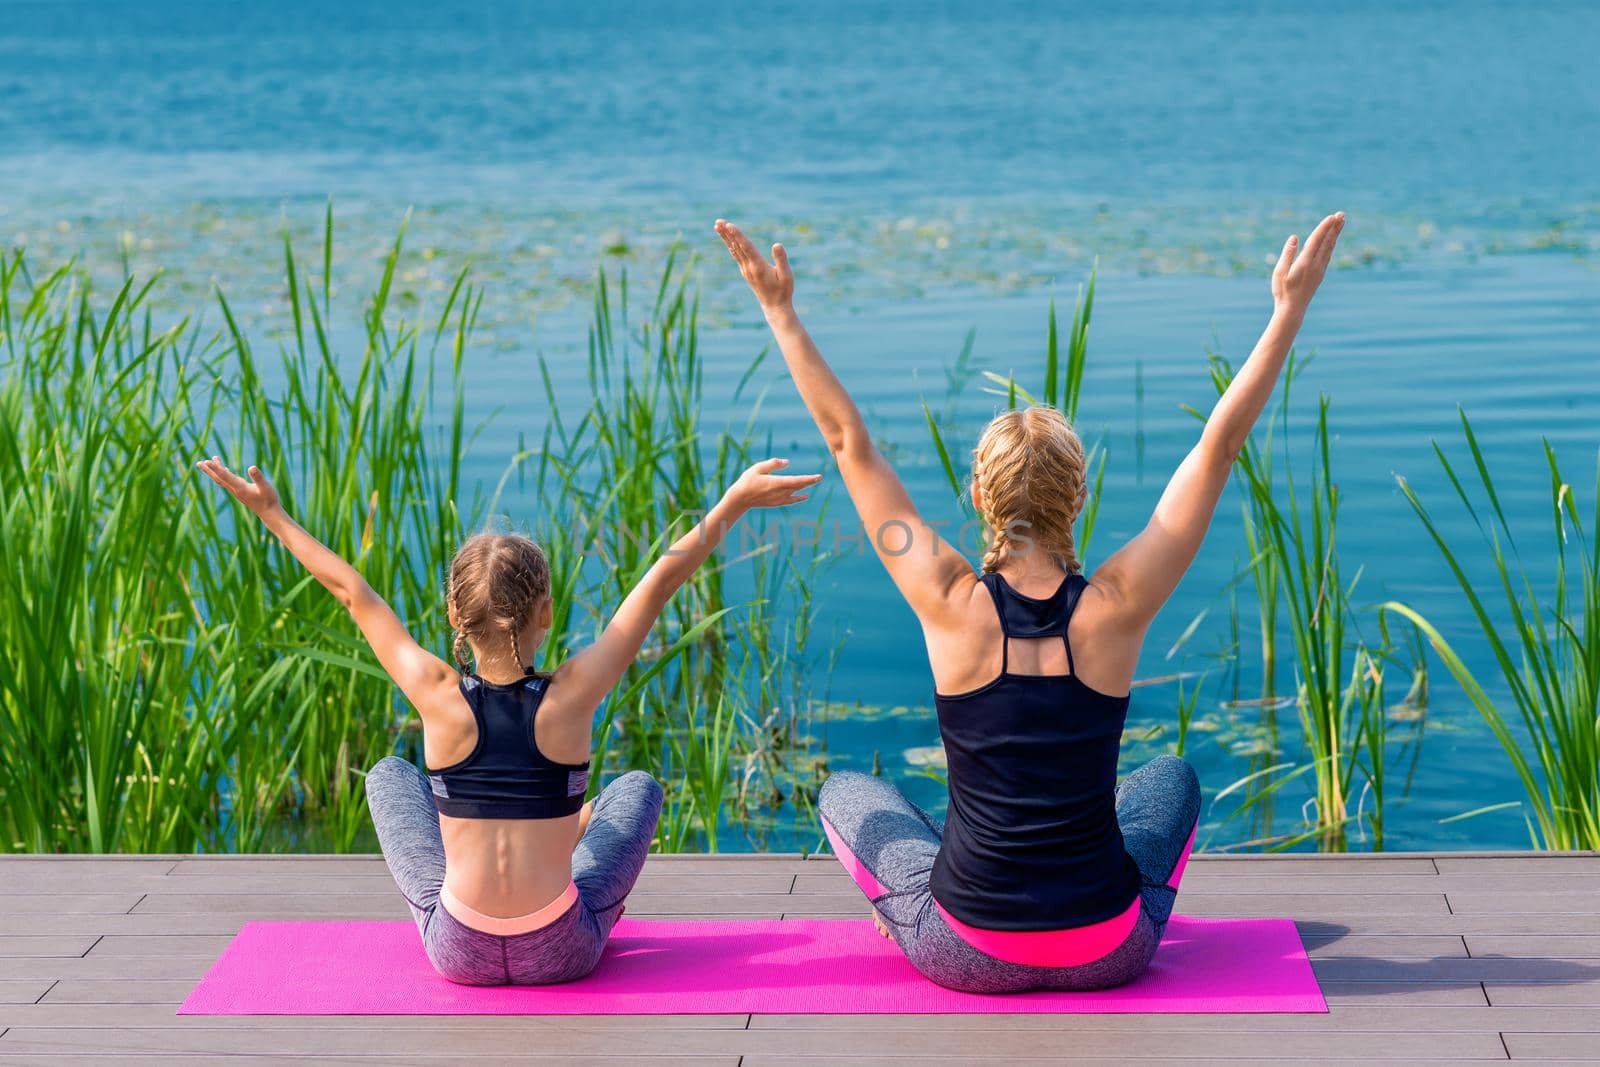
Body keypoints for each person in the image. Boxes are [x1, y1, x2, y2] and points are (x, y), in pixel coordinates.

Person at [715, 212, 1344, 992]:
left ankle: (918, 897)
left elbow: (849, 442)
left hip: (968, 949)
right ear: (1078, 496)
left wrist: (779, 308)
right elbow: (1218, 447)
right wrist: (1288, 310)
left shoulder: (945, 596)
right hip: (1108, 949)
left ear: (978, 495)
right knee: (1173, 778)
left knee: (845, 792)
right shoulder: (1117, 603)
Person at [197, 454, 821, 985]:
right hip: (564, 951)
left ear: (453, 615)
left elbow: (352, 592)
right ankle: (565, 834)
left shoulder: (436, 693)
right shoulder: (573, 695)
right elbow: (660, 582)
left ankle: (520, 850)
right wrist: (734, 501)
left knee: (389, 774)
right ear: (545, 612)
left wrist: (272, 515)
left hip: (457, 951)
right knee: (636, 790)